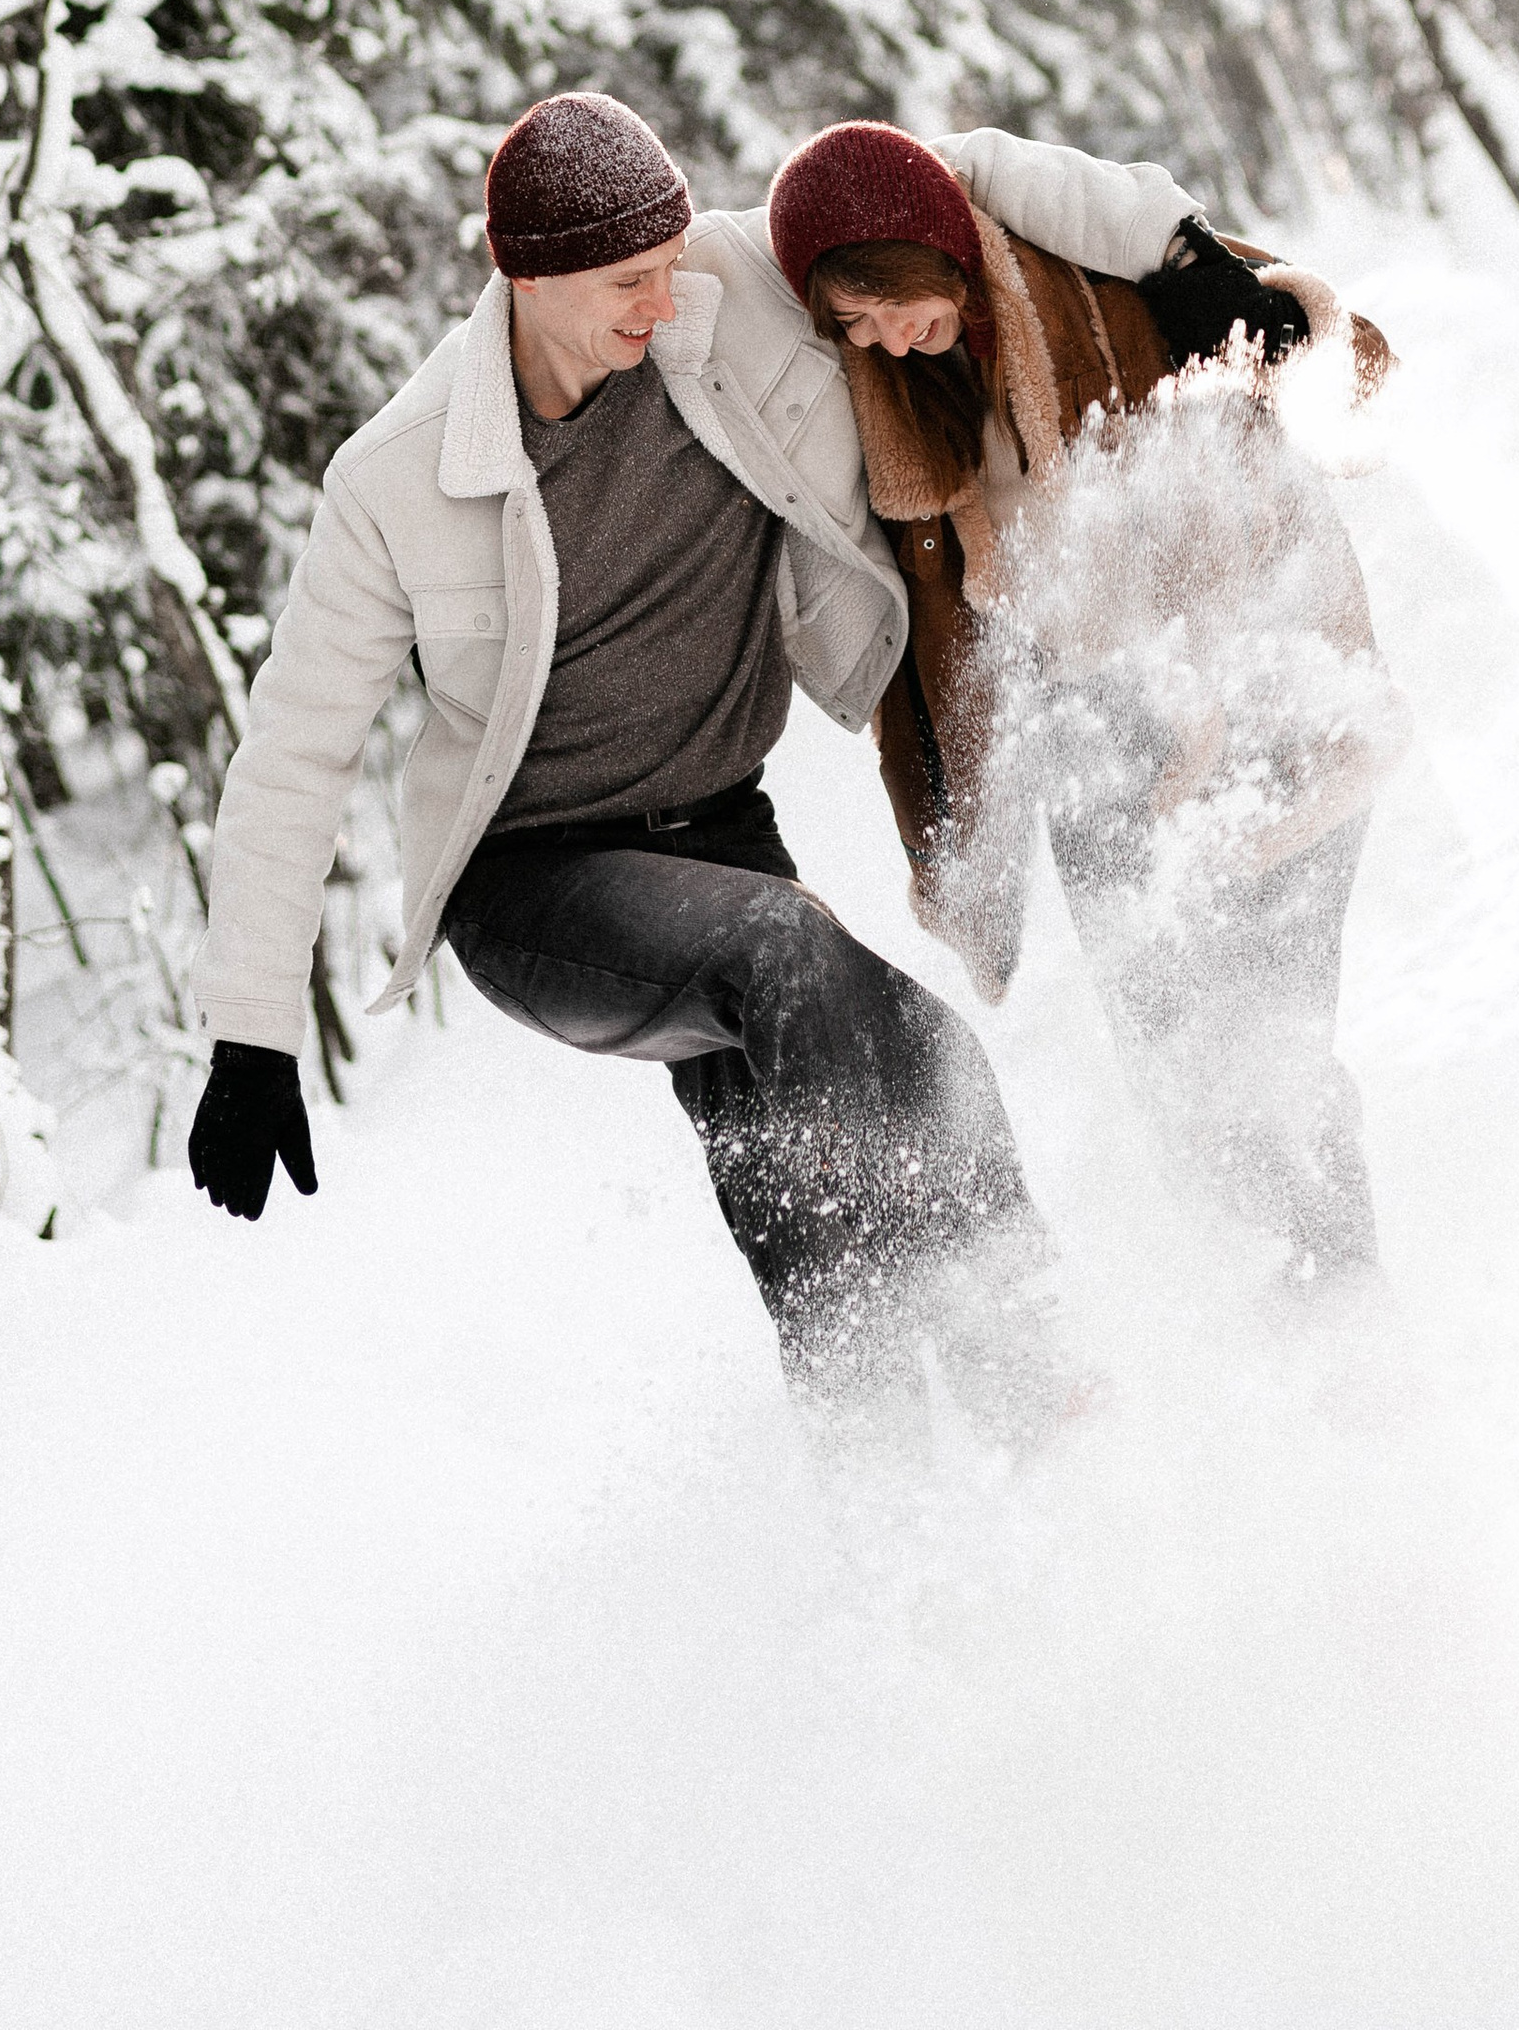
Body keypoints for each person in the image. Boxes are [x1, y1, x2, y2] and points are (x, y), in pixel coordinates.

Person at [190, 89, 1185, 1439]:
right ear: (526, 279)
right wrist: (249, 1034)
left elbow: (939, 179)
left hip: (722, 834)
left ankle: (901, 1507)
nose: (664, 305)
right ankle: (1029, 1374)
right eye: (626, 285)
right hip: (539, 885)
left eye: (668, 266)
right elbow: (292, 756)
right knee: (793, 965)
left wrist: (1189, 252)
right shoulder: (400, 479)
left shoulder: (721, 295)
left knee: (835, 1164)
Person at [764, 123, 1400, 1294]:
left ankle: (1345, 1305)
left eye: (886, 303)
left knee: (1270, 1041)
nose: (883, 340)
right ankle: (1262, 1315)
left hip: (1264, 695)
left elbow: (1322, 351)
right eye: (852, 326)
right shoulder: (904, 407)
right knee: (1167, 1065)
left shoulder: (1104, 274)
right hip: (1097, 740)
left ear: (933, 249)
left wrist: (1250, 331)